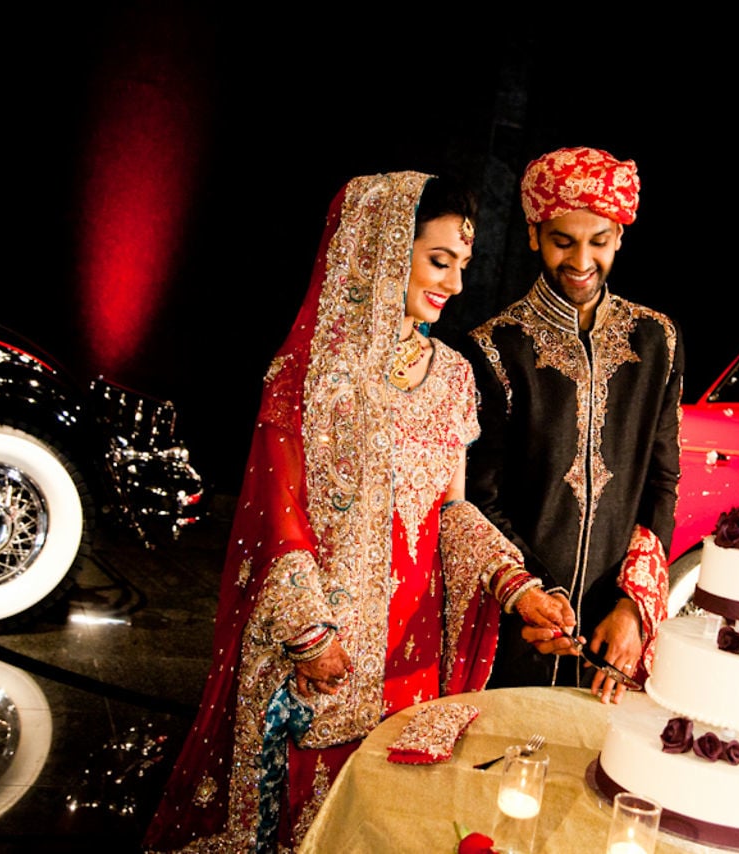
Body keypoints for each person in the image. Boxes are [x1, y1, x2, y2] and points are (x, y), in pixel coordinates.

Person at [143, 172, 568, 852]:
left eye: (462, 264)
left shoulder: (453, 376)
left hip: (412, 656)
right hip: (320, 652)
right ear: (382, 248)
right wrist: (311, 636)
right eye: (439, 261)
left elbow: (451, 512)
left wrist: (517, 588)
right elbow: (278, 518)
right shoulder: (308, 375)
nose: (456, 284)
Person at [465, 146, 684, 705]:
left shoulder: (657, 340)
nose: (581, 260)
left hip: (613, 641)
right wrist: (534, 597)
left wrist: (633, 608)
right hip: (518, 628)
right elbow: (478, 498)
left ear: (620, 236)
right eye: (563, 241)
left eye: (599, 241)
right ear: (534, 234)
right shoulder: (494, 348)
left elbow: (661, 482)